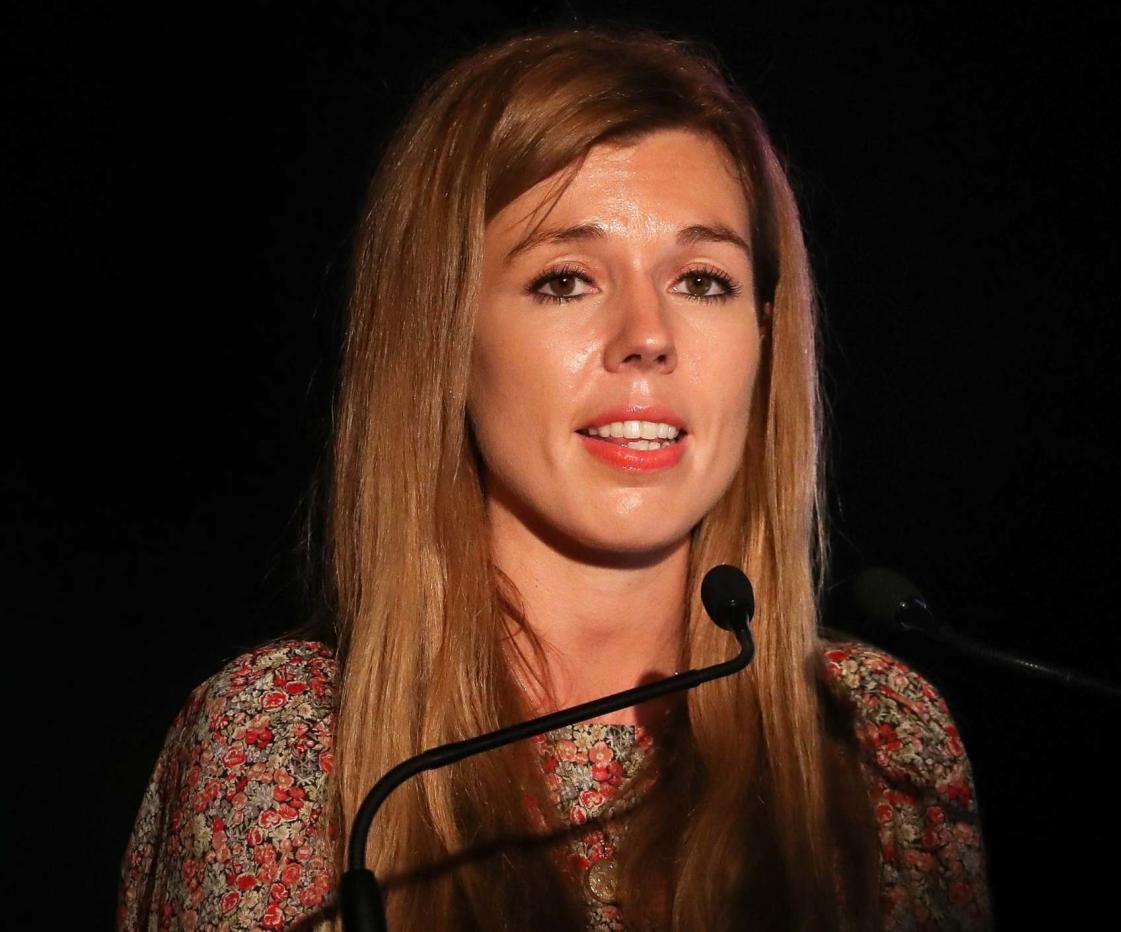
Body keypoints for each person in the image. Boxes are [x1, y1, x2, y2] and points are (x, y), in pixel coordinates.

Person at [118, 24, 991, 932]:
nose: (648, 335)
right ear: (443, 338)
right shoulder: (287, 746)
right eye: (566, 280)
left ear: (767, 339)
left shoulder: (880, 742)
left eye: (702, 280)